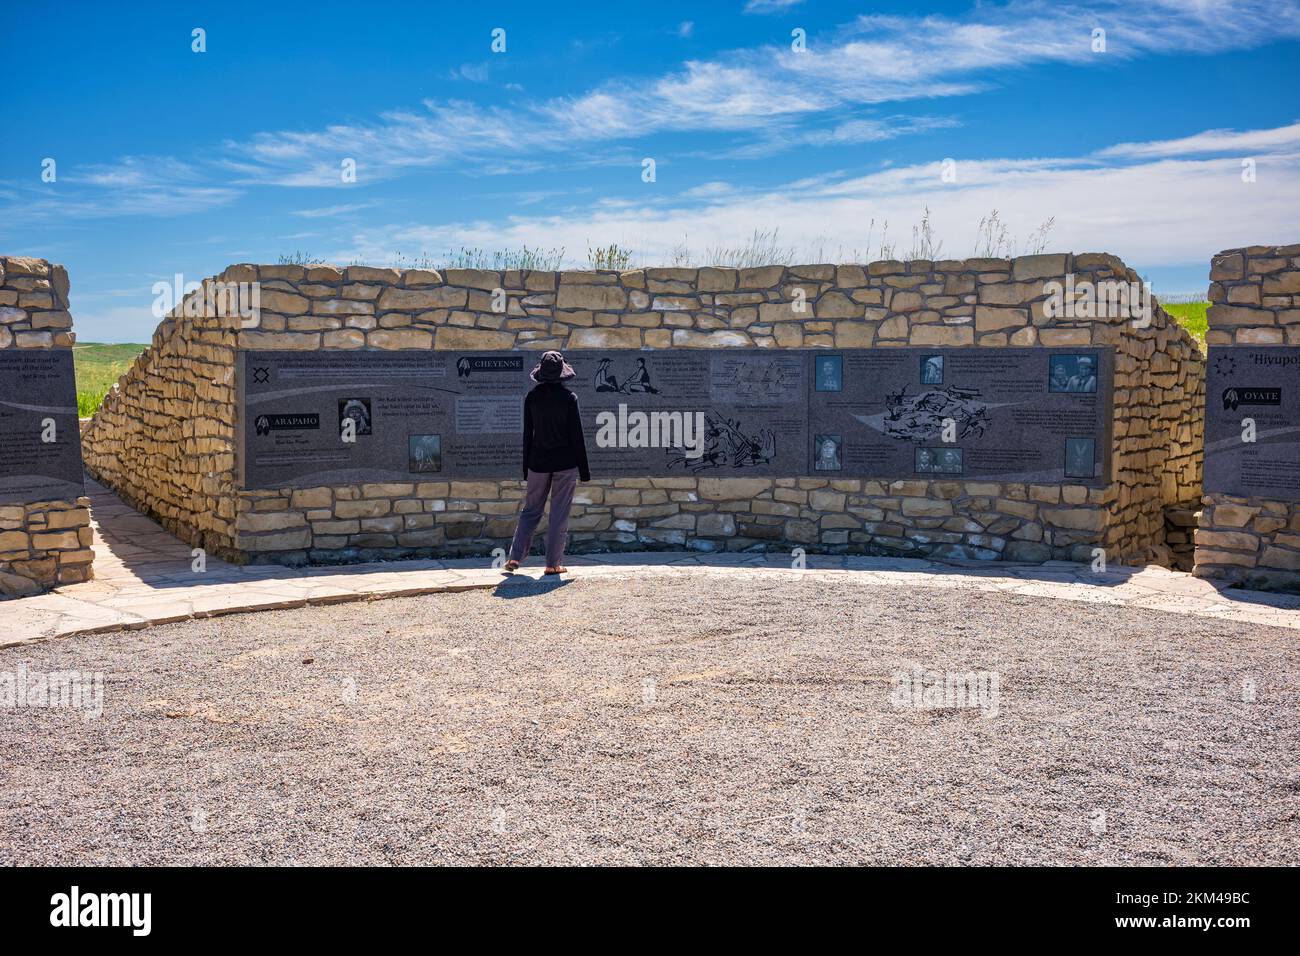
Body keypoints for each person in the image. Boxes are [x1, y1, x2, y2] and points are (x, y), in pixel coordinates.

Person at [504, 351, 591, 576]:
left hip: (537, 462)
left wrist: (525, 468)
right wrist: (584, 470)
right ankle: (553, 564)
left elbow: (527, 436)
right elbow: (577, 436)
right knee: (559, 513)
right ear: (562, 374)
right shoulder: (570, 398)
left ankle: (515, 556)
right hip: (565, 463)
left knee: (530, 510)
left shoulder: (532, 397)